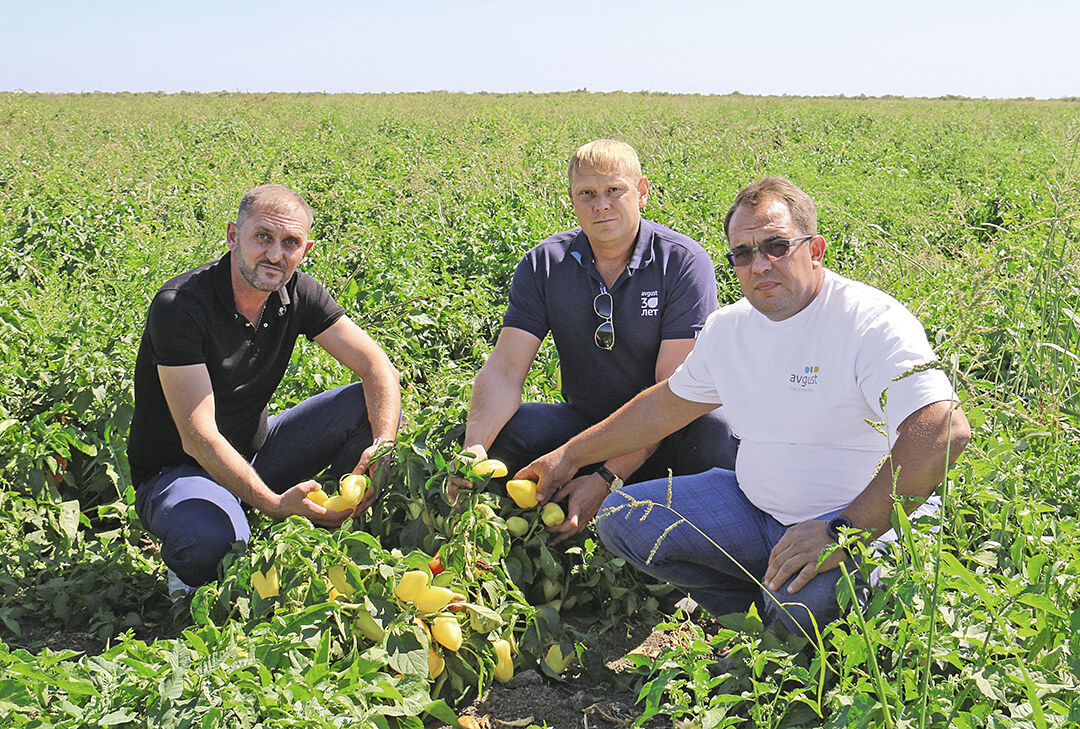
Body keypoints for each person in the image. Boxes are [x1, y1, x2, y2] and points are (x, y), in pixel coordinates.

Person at [517, 176, 971, 633]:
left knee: (804, 613)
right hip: (756, 510)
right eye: (744, 253)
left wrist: (842, 532)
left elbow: (942, 431)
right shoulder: (730, 329)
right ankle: (751, 619)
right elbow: (663, 407)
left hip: (856, 526)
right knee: (623, 519)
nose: (761, 265)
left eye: (776, 246)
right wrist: (569, 456)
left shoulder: (868, 321)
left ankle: (782, 620)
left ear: (815, 250)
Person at [457, 139, 737, 543]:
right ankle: (512, 539)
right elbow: (504, 369)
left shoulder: (681, 262)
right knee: (499, 434)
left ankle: (700, 548)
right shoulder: (545, 264)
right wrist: (474, 451)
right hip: (588, 424)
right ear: (571, 199)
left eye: (614, 191)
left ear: (641, 191)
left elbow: (672, 394)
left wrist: (607, 476)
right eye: (587, 193)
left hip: (670, 436)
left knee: (714, 435)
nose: (600, 205)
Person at [128, 184, 401, 591]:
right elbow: (197, 437)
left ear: (304, 250)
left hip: (255, 453)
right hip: (179, 470)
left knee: (370, 403)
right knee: (209, 546)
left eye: (289, 243)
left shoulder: (298, 292)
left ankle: (333, 535)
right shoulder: (181, 305)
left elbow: (377, 366)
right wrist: (273, 505)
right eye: (263, 237)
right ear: (233, 235)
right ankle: (207, 541)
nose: (275, 255)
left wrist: (382, 446)